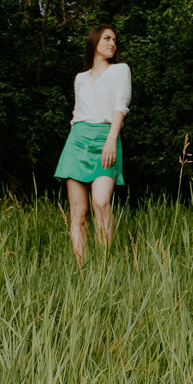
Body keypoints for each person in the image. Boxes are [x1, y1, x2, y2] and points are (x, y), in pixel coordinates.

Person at [54, 24, 128, 263]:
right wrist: (75, 136)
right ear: (94, 42)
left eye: (115, 40)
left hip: (106, 138)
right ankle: (82, 269)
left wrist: (110, 141)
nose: (112, 43)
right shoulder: (80, 79)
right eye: (107, 38)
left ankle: (105, 266)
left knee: (101, 201)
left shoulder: (120, 71)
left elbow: (120, 107)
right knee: (78, 213)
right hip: (77, 142)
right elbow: (76, 114)